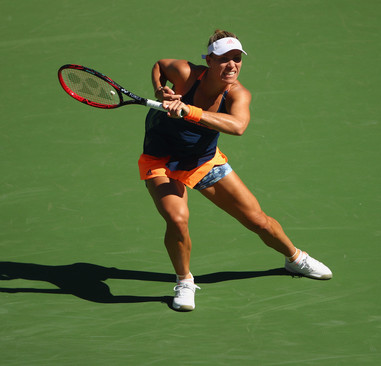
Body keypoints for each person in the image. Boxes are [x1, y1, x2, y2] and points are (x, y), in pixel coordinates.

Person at [138, 30, 332, 311]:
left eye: (237, 59)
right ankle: (184, 281)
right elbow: (159, 65)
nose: (232, 65)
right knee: (177, 218)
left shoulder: (238, 94)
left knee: (258, 221)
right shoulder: (185, 73)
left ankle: (295, 259)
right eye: (224, 59)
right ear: (209, 60)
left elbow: (238, 126)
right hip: (161, 160)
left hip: (202, 161)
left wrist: (189, 111)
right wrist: (160, 89)